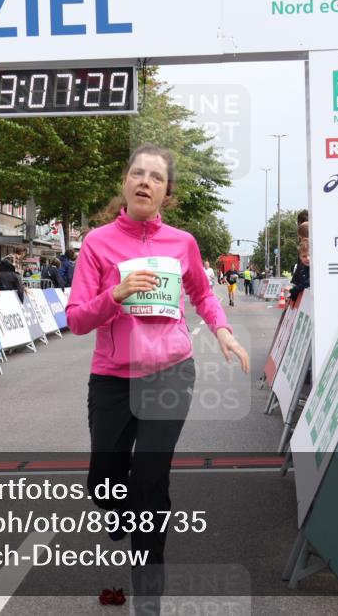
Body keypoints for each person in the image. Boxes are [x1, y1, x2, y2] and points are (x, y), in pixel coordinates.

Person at [66, 144, 249, 609]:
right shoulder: (97, 243)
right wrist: (116, 293)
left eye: (156, 177)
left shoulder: (182, 243)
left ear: (166, 193)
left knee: (151, 481)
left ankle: (149, 596)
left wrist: (222, 331)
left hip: (170, 374)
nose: (145, 181)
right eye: (137, 174)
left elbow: (204, 296)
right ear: (125, 184)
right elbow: (77, 319)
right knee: (103, 482)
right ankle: (120, 515)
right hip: (111, 377)